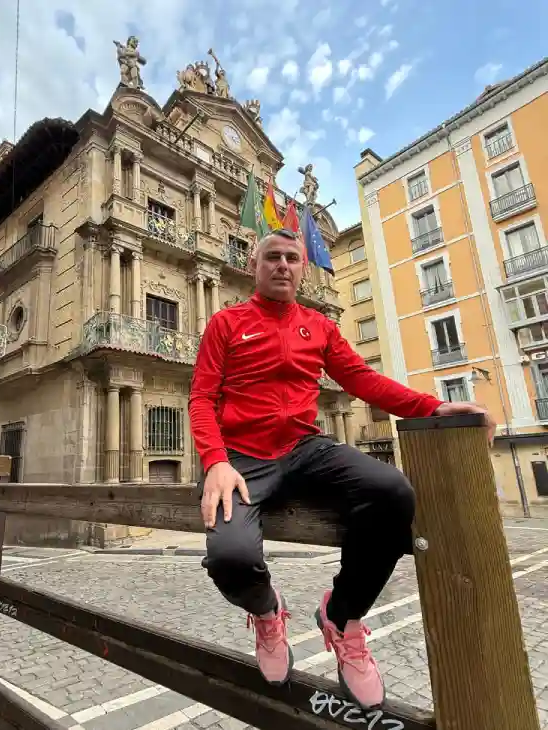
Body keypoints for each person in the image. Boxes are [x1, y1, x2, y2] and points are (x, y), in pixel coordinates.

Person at [188, 229, 495, 710]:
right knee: (229, 557)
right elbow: (202, 398)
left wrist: (431, 407)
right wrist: (216, 462)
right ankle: (268, 614)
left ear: (302, 269)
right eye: (273, 257)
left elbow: (362, 380)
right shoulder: (226, 323)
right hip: (243, 458)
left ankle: (342, 615)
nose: (283, 265)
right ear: (255, 265)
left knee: (393, 491)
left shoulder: (319, 326)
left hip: (306, 448)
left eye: (293, 258)